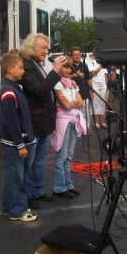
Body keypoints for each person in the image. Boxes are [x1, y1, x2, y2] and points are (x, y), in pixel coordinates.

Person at [19, 33, 67, 209]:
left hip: (43, 122)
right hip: (33, 122)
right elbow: (40, 90)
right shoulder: (26, 66)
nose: (46, 51)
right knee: (29, 162)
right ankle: (27, 195)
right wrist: (55, 71)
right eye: (43, 48)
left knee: (40, 161)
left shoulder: (36, 65)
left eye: (47, 48)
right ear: (32, 47)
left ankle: (37, 191)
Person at [0, 54, 37, 222]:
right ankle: (18, 211)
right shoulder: (8, 91)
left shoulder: (14, 87)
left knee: (12, 176)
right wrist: (20, 145)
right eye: (20, 67)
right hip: (16, 143)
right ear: (10, 69)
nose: (23, 70)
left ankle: (9, 207)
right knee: (17, 177)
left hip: (19, 141)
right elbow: (10, 122)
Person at [48, 57, 86, 198]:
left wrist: (73, 102)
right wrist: (74, 102)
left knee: (68, 156)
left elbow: (81, 103)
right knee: (61, 155)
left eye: (69, 67)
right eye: (65, 67)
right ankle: (59, 187)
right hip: (62, 122)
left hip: (72, 121)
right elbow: (67, 105)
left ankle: (68, 185)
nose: (69, 70)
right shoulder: (57, 84)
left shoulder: (73, 83)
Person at [69, 47, 92, 134]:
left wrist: (91, 91)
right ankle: (77, 129)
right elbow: (64, 77)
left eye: (78, 54)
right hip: (72, 94)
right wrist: (74, 75)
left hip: (85, 92)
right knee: (74, 113)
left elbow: (89, 79)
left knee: (85, 113)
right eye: (75, 55)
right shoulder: (69, 66)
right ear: (72, 56)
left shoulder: (84, 66)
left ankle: (86, 129)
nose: (77, 56)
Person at [88, 51, 108, 129]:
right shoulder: (90, 62)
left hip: (103, 85)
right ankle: (95, 122)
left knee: (102, 103)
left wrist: (106, 84)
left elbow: (105, 74)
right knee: (94, 103)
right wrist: (100, 67)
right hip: (94, 84)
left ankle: (101, 121)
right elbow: (92, 73)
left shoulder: (103, 61)